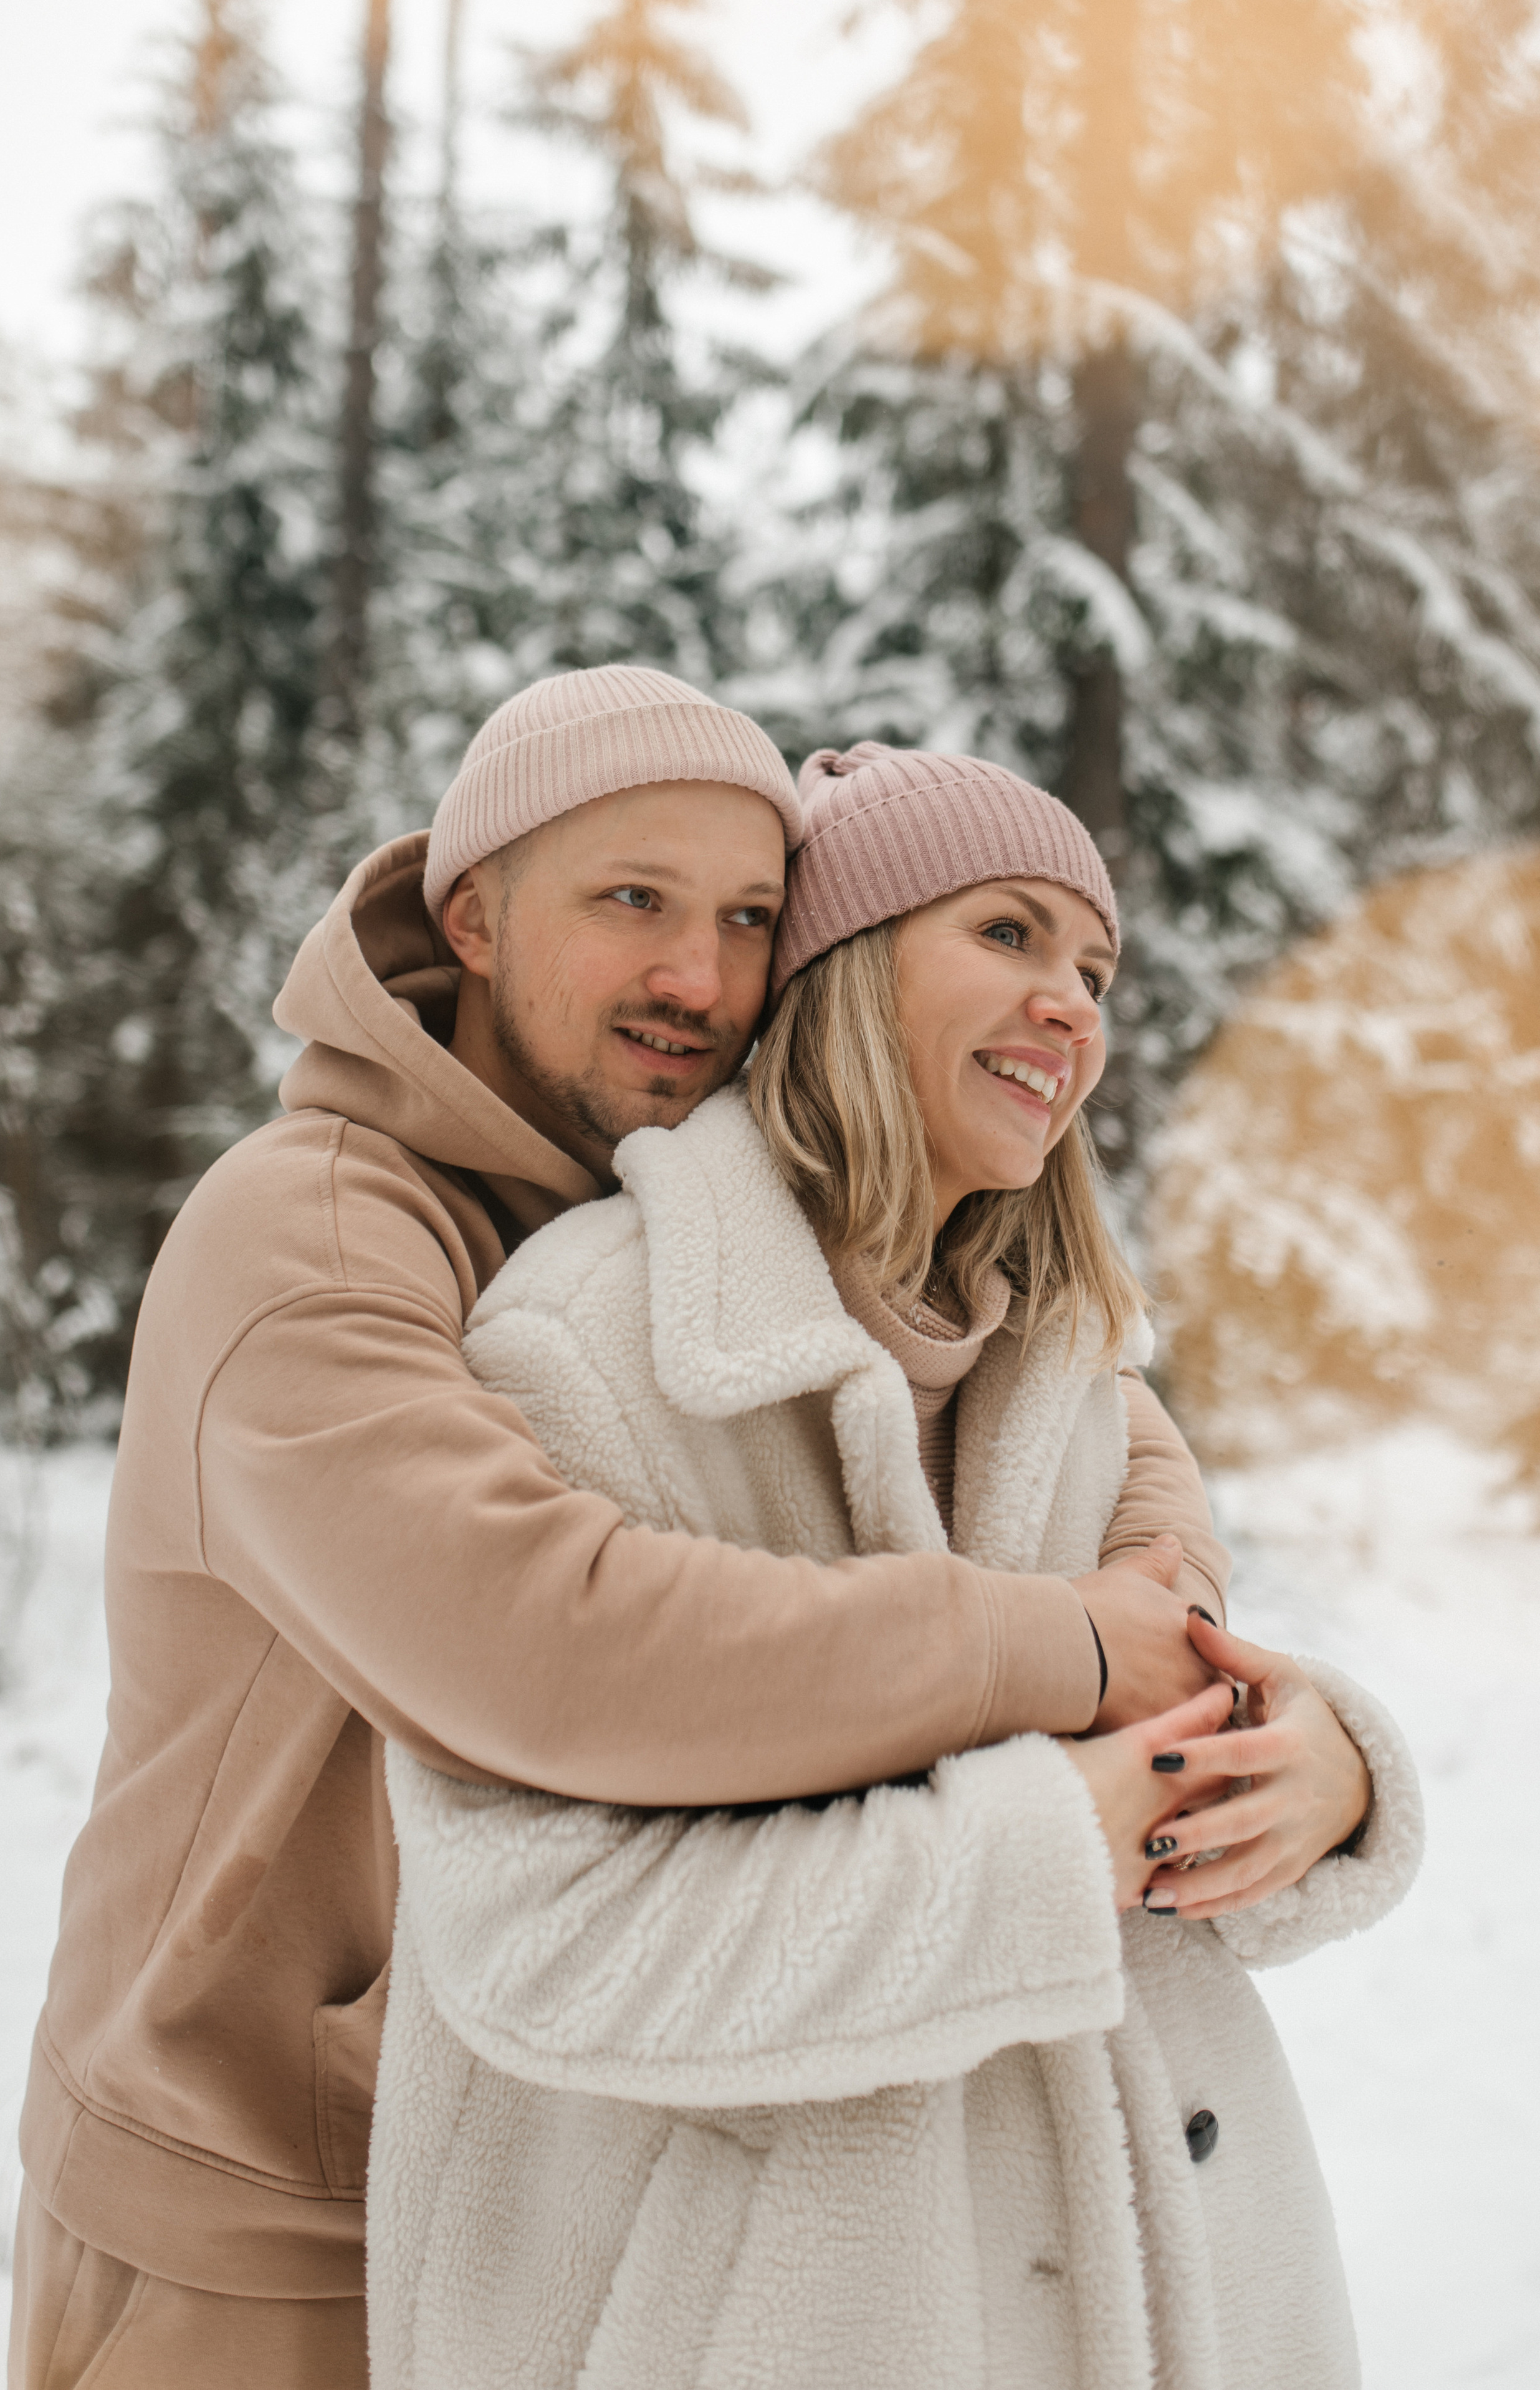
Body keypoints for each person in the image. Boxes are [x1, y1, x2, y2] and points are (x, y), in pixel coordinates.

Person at [10, 673, 1232, 2390]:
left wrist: (1165, 1578)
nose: (699, 976)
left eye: (747, 919)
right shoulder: (315, 1232)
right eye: (633, 902)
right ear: (477, 916)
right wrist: (1071, 1645)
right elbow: (552, 1644)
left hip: (554, 2189)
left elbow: (1074, 1376)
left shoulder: (652, 1188)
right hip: (262, 2209)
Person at [370, 741, 1423, 2390]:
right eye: (1007, 933)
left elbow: (1164, 1699)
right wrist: (1059, 1840)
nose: (1073, 1002)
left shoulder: (1065, 1355)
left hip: (1164, 2297)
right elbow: (532, 1939)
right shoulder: (589, 1345)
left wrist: (1322, 1769)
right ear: (850, 967)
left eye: (1095, 965)